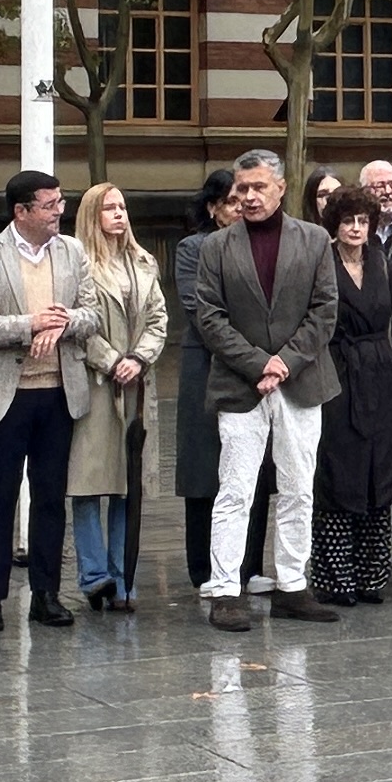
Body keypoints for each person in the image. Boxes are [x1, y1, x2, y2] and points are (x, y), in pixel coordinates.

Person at [188, 150, 342, 629]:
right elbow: (208, 316)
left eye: (258, 187)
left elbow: (325, 310)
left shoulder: (315, 239)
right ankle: (225, 589)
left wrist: (286, 362)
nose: (248, 197)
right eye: (242, 188)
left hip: (301, 382)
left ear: (281, 186)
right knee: (235, 489)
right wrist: (260, 363)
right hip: (240, 383)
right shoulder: (216, 246)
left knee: (299, 488)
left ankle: (293, 584)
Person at [0, 168, 101, 633]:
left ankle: (47, 594)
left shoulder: (72, 251)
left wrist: (62, 325)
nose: (60, 211)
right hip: (4, 393)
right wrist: (30, 324)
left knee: (49, 497)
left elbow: (92, 313)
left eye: (61, 202)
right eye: (50, 204)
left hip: (59, 391)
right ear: (21, 211)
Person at [66, 183, 166, 608]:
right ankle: (94, 575)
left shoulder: (144, 263)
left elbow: (159, 318)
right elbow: (77, 326)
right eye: (109, 208)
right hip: (97, 384)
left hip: (138, 386)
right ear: (93, 215)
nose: (119, 215)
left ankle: (124, 577)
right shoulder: (78, 265)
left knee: (130, 484)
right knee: (89, 482)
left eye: (122, 207)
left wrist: (139, 359)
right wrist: (111, 360)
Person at [314, 181, 392, 605]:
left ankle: (372, 577)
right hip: (336, 377)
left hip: (382, 378)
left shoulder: (384, 266)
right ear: (334, 225)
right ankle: (336, 579)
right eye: (348, 221)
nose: (355, 228)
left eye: (363, 221)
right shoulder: (322, 265)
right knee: (338, 475)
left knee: (379, 474)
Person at [168, 167, 242, 589]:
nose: (239, 208)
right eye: (231, 201)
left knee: (246, 470)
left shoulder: (257, 245)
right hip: (206, 365)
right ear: (213, 208)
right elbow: (200, 310)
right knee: (203, 470)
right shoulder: (192, 248)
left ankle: (243, 566)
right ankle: (202, 568)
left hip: (250, 368)